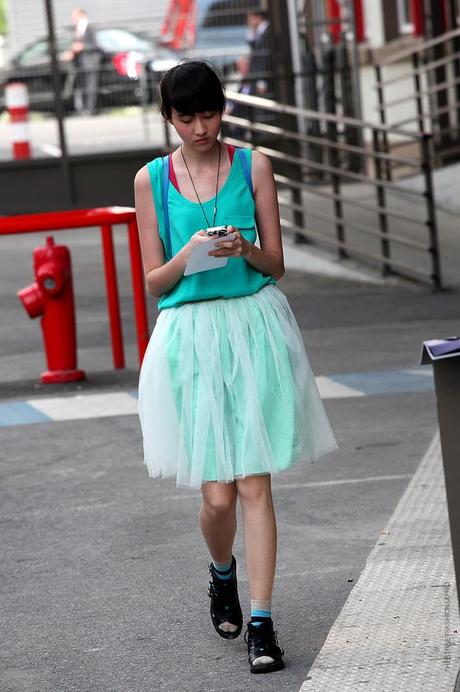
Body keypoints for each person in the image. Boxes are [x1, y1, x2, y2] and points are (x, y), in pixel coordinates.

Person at [134, 60, 337, 675]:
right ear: (168, 117)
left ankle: (263, 622)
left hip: (253, 325)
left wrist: (244, 248)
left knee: (254, 484)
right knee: (217, 497)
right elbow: (151, 281)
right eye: (186, 116)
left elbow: (275, 264)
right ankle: (222, 574)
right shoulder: (152, 180)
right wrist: (191, 256)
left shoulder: (254, 165)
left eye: (209, 113)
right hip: (189, 337)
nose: (200, 127)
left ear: (224, 108)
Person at [69, 8, 100, 115]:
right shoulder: (76, 30)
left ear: (81, 16)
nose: (72, 19)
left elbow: (95, 45)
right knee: (82, 87)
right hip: (79, 64)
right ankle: (84, 109)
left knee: (91, 87)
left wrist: (82, 47)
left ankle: (91, 110)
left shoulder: (90, 29)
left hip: (90, 63)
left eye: (74, 16)